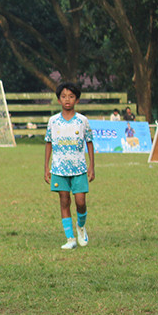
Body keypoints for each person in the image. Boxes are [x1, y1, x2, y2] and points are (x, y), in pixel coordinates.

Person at [44, 81, 94, 250]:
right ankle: (70, 238)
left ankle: (81, 226)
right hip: (59, 168)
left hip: (79, 168)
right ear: (59, 100)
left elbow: (89, 143)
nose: (67, 99)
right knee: (64, 201)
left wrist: (92, 166)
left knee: (80, 201)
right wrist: (46, 168)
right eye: (64, 96)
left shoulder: (82, 121)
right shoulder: (53, 121)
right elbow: (48, 143)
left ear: (77, 100)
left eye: (71, 96)